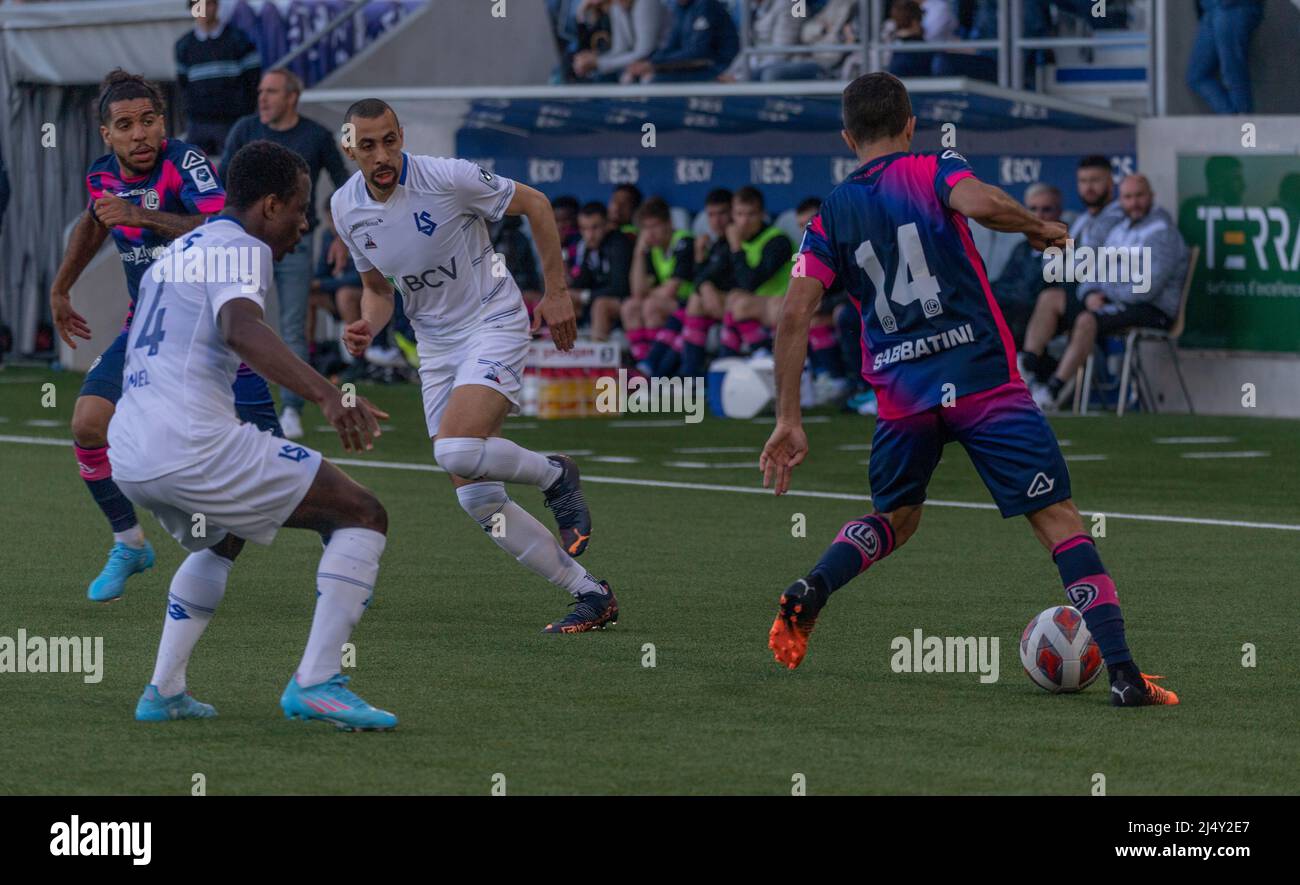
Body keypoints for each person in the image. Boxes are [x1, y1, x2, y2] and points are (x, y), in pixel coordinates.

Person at [760, 72, 1177, 708]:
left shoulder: (830, 214)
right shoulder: (932, 165)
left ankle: (812, 589)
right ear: (909, 124)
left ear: (848, 138)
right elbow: (980, 204)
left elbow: (792, 315)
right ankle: (1123, 675)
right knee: (1058, 519)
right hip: (982, 381)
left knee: (896, 519)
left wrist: (788, 418)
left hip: (902, 397)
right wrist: (1037, 227)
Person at [107, 139, 395, 729]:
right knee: (362, 514)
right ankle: (317, 682)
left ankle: (163, 691)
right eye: (298, 209)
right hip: (189, 445)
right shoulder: (242, 247)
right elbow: (241, 329)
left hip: (131, 451)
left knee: (224, 537)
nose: (304, 225)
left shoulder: (182, 248)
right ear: (268, 205)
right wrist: (328, 395)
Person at [329, 99, 618, 634]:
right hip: (436, 346)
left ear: (401, 134)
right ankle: (591, 593)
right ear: (350, 148)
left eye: (390, 139)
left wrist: (557, 294)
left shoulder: (448, 177)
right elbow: (376, 291)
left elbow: (536, 203)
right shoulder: (345, 207)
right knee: (476, 496)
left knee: (456, 449)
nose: (382, 154)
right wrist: (368, 324)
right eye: (367, 145)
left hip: (493, 319)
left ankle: (556, 474)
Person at [49, 69, 281, 605]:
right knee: (87, 423)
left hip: (216, 333)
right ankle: (129, 542)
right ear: (106, 134)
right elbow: (94, 221)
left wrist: (143, 217)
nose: (140, 135)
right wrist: (62, 288)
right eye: (125, 125)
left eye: (149, 121)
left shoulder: (186, 164)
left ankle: (342, 541)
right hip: (148, 330)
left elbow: (228, 228)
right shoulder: (102, 175)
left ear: (164, 123)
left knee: (272, 467)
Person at [222, 68, 351, 439]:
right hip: (244, 244)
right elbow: (222, 181)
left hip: (294, 243)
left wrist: (342, 234)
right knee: (236, 322)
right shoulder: (245, 130)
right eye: (261, 91)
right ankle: (234, 405)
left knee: (293, 326)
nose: (262, 98)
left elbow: (345, 187)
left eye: (272, 92)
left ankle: (291, 409)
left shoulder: (316, 136)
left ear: (292, 97)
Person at [1026, 174, 1188, 410]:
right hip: (1116, 300)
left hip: (1153, 308)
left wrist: (1107, 293)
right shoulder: (1119, 229)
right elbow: (1094, 267)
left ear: (1151, 197)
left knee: (1087, 320)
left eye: (1139, 196)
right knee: (1051, 298)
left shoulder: (1162, 232)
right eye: (1128, 197)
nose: (1134, 203)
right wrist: (1090, 292)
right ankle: (1027, 370)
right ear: (1119, 200)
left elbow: (1147, 288)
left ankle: (1052, 391)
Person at [1016, 155, 1123, 388]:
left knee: (1047, 298)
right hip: (1077, 293)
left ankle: (1040, 380)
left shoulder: (1120, 218)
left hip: (1105, 298)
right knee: (1040, 297)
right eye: (1083, 181)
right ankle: (1027, 367)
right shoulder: (1083, 220)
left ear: (1110, 183)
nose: (1089, 187)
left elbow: (1107, 265)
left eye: (1095, 180)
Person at [175, 0, 260, 161]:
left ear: (216, 6)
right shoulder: (183, 45)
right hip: (198, 124)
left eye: (208, 4)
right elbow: (183, 85)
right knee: (192, 171)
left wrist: (243, 112)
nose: (203, 10)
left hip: (232, 122)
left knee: (235, 168)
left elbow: (253, 80)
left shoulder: (239, 39)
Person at [719, 186, 794, 357]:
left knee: (741, 304)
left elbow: (750, 283)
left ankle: (763, 352)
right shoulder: (734, 239)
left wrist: (737, 248)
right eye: (739, 214)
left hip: (783, 301)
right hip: (761, 304)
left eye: (751, 214)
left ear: (762, 214)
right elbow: (714, 274)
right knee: (733, 298)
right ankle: (726, 361)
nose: (744, 221)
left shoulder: (778, 240)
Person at [624, 197, 693, 376]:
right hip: (667, 303)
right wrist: (639, 252)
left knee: (651, 305)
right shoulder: (652, 248)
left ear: (669, 223)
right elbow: (637, 291)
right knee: (630, 307)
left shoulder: (684, 242)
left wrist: (650, 293)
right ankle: (642, 365)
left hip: (689, 305)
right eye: (645, 228)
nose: (650, 233)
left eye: (654, 226)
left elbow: (671, 290)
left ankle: (652, 369)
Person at [991, 182, 1063, 347]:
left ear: (1058, 212)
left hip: (1031, 316)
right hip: (1008, 308)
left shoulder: (1065, 248)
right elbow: (1004, 282)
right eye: (1033, 209)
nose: (1039, 215)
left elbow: (1035, 291)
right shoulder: (1022, 248)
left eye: (1046, 209)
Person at [681, 188, 733, 377]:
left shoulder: (737, 241)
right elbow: (703, 278)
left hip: (749, 304)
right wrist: (700, 257)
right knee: (695, 301)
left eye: (722, 214)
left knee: (697, 300)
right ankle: (690, 376)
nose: (716, 221)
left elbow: (744, 281)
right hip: (717, 305)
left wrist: (705, 286)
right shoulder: (716, 243)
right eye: (711, 215)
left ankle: (720, 375)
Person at [623, 0, 738, 83]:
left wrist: (654, 65)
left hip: (719, 68)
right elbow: (671, 45)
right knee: (632, 75)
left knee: (655, 80)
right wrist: (648, 62)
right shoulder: (679, 7)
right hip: (695, 66)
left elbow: (698, 53)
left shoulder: (706, 5)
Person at [1186, 0, 1265, 114]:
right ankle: (1234, 119)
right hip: (1211, 9)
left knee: (1233, 72)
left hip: (1234, 7)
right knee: (1197, 75)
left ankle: (1243, 125)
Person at [571, 201, 634, 341]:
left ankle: (596, 356)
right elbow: (580, 283)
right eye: (584, 229)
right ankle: (564, 353)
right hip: (597, 298)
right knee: (566, 299)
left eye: (594, 228)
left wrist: (584, 296)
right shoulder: (587, 246)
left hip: (626, 301)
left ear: (607, 225)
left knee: (601, 305)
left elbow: (620, 288)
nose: (589, 235)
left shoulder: (619, 243)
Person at [571, 0, 668, 82]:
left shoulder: (646, 3)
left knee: (634, 77)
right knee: (592, 74)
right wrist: (595, 60)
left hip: (661, 59)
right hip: (635, 61)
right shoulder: (617, 8)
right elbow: (619, 50)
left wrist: (598, 63)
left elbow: (644, 52)